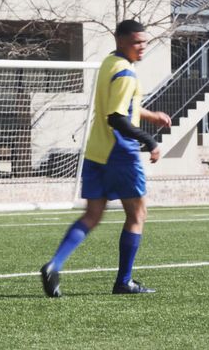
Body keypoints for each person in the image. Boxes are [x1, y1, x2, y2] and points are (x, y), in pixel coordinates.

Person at [39, 19, 171, 297]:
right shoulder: (126, 73)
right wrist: (149, 141)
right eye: (136, 42)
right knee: (137, 214)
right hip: (120, 153)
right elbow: (116, 118)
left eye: (145, 42)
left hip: (96, 152)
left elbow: (120, 107)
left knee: (92, 214)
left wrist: (150, 116)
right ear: (120, 40)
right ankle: (124, 281)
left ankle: (54, 264)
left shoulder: (109, 64)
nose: (142, 47)